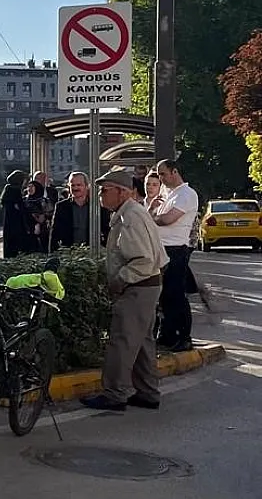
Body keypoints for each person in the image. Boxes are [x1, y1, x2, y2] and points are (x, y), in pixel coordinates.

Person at [80, 170, 169, 411]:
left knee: (122, 340)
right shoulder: (131, 213)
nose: (100, 194)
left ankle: (115, 393)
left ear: (122, 192)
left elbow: (143, 259)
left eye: (105, 190)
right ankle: (147, 392)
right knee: (140, 343)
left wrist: (120, 280)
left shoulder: (129, 217)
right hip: (146, 286)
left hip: (137, 287)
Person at [149, 159, 199, 352]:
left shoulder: (186, 194)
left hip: (176, 249)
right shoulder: (167, 194)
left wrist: (154, 217)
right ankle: (168, 334)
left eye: (163, 174)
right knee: (163, 296)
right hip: (161, 248)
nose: (160, 178)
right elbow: (153, 217)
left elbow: (167, 220)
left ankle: (184, 336)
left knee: (176, 294)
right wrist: (153, 210)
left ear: (174, 172)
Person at [49, 171, 111, 252]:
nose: (75, 188)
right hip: (68, 253)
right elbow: (55, 233)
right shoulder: (61, 207)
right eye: (73, 185)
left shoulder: (98, 206)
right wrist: (52, 254)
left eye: (79, 185)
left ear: (86, 186)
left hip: (93, 251)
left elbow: (107, 230)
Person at [1, 170, 31, 258]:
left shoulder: (8, 190)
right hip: (17, 225)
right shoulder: (15, 191)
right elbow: (21, 208)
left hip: (9, 225)